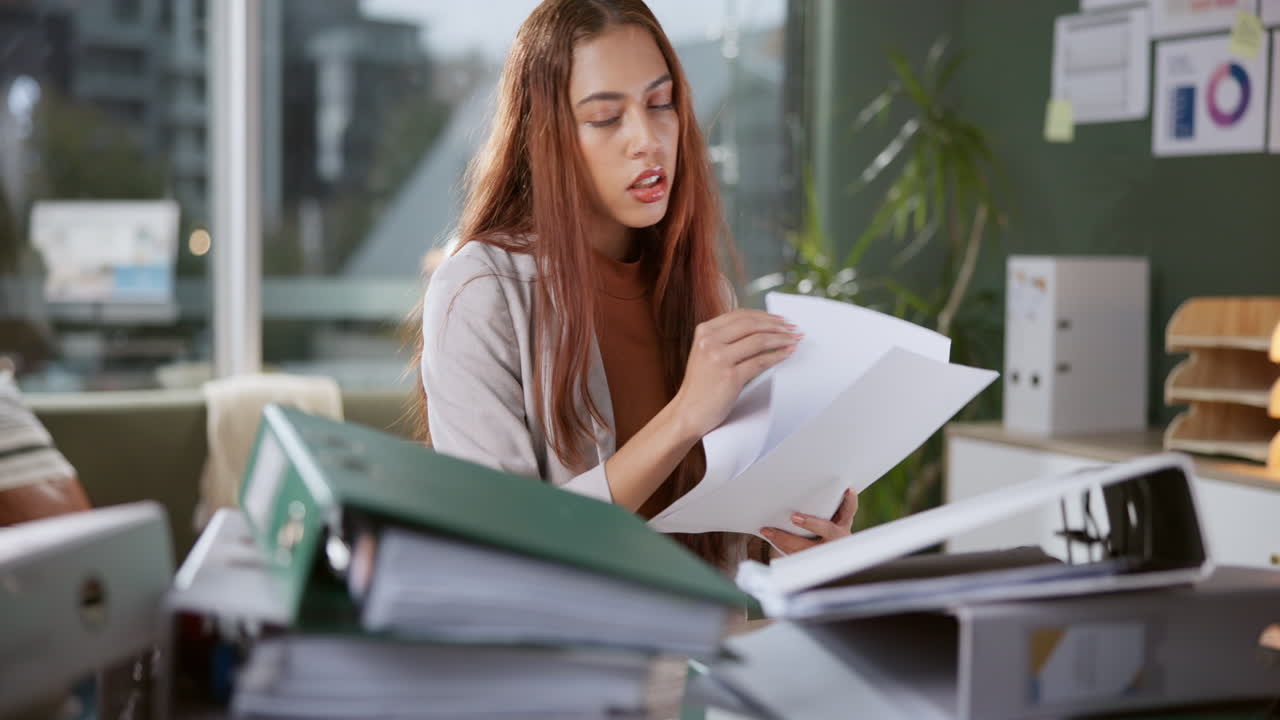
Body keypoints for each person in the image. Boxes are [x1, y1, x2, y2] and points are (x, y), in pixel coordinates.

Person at [415, 0, 857, 569]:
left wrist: (798, 533)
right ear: (545, 137)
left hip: (704, 646)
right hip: (568, 652)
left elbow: (718, 535)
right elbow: (502, 541)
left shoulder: (702, 293)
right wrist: (683, 419)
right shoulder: (479, 291)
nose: (647, 139)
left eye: (660, 104)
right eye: (605, 117)